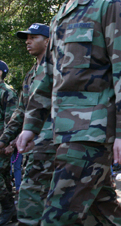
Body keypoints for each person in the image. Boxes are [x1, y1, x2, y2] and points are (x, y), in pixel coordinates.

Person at [16, 0, 121, 225]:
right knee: (103, 214)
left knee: (57, 217)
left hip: (91, 135)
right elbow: (48, 77)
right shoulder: (60, 16)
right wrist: (31, 124)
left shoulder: (107, 7)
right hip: (63, 134)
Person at [0, 23, 56, 226]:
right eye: (27, 38)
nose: (28, 41)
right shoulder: (31, 74)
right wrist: (5, 139)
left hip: (54, 144)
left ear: (48, 41)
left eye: (34, 37)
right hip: (34, 146)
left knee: (32, 200)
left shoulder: (60, 69)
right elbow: (21, 111)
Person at [0, 60, 18, 226]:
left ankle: (7, 208)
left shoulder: (7, 92)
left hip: (2, 142)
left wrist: (9, 143)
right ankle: (11, 210)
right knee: (4, 177)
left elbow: (12, 119)